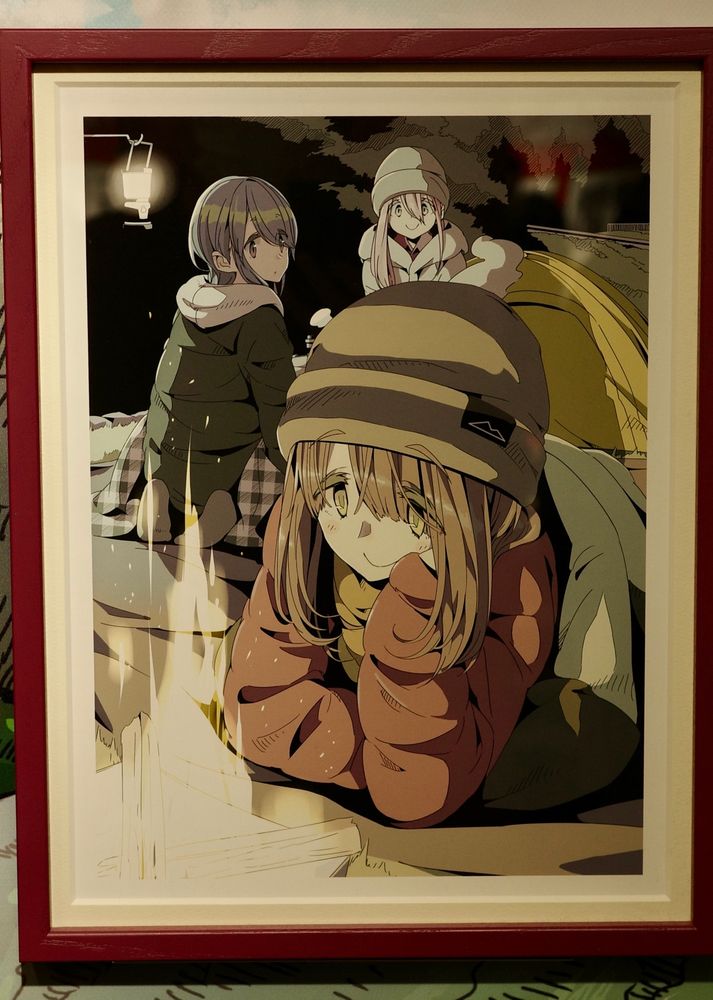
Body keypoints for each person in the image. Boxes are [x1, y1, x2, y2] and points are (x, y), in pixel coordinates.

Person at [222, 282, 558, 828]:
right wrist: (366, 753)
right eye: (335, 489)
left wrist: (414, 614)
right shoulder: (303, 532)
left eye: (408, 504)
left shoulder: (512, 576)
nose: (359, 527)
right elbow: (259, 717)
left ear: (481, 505)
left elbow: (417, 791)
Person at [137, 175, 298, 547]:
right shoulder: (260, 318)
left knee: (179, 434)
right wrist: (292, 459)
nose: (279, 253)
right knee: (254, 460)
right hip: (218, 457)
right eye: (258, 244)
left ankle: (159, 492)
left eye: (281, 240)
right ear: (223, 258)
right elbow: (277, 402)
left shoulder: (188, 304)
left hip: (163, 446)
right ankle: (217, 510)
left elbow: (166, 379)